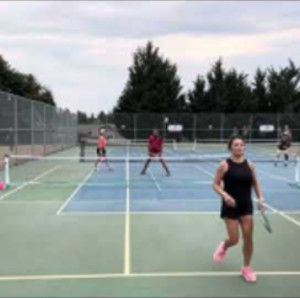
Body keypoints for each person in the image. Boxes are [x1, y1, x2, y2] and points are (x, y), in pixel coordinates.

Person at [212, 136, 265, 283]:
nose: (239, 147)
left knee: (248, 238)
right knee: (234, 240)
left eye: (242, 145)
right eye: (236, 145)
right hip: (230, 206)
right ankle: (224, 245)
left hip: (246, 205)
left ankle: (246, 267)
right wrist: (225, 196)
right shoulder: (224, 165)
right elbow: (215, 184)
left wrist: (261, 198)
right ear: (231, 148)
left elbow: (255, 182)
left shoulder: (250, 164)